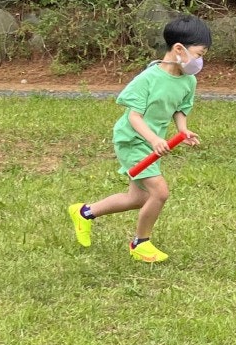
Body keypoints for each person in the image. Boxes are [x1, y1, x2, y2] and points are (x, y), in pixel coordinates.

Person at [68, 15, 210, 263]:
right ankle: (140, 243)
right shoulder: (148, 79)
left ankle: (84, 213)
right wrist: (154, 139)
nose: (200, 61)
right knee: (160, 192)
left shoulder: (188, 80)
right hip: (132, 140)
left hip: (152, 143)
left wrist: (183, 130)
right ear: (179, 49)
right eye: (198, 54)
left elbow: (180, 108)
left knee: (138, 198)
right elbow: (134, 117)